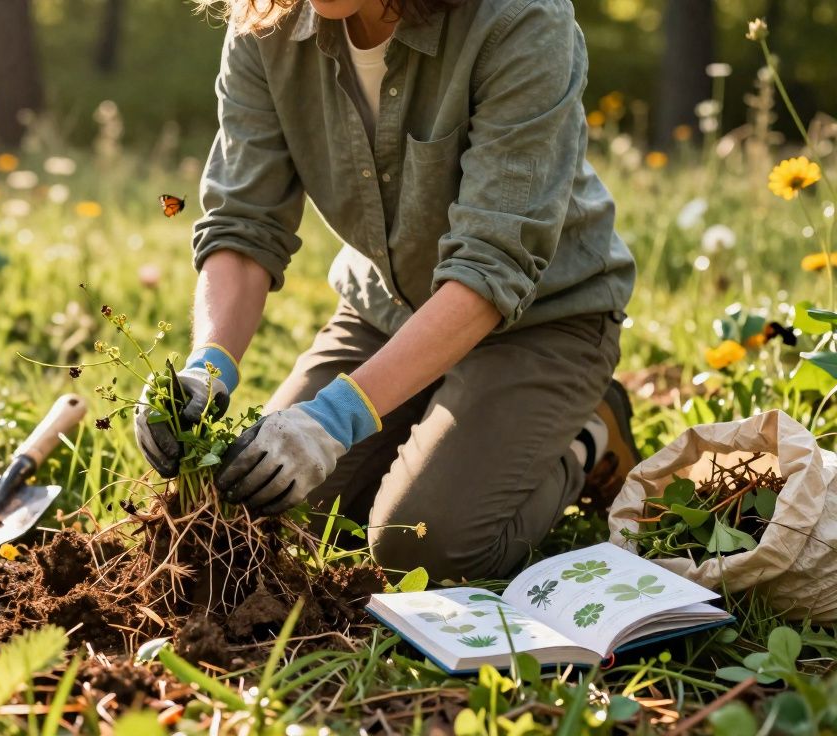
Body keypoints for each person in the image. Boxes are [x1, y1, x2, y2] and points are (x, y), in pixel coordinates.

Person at [134, 0, 638, 582]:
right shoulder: (266, 20)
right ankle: (433, 415)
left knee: (425, 543)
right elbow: (244, 224)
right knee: (258, 507)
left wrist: (336, 416)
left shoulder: (519, 19)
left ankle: (589, 433)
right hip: (385, 313)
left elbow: (491, 264)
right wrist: (208, 367)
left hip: (542, 320)